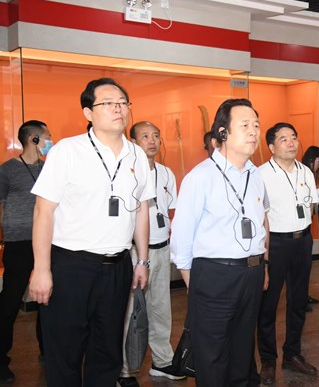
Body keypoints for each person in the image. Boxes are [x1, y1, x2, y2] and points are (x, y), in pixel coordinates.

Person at [29, 78, 154, 387]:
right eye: (108, 103)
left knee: (108, 351)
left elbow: (141, 209)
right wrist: (42, 269)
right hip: (72, 265)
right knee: (65, 351)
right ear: (88, 112)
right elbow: (43, 211)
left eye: (123, 102)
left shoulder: (137, 155)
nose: (118, 108)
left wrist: (142, 260)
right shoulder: (68, 150)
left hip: (118, 266)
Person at [170, 98, 269, 386]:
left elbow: (261, 224)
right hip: (214, 275)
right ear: (223, 132)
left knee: (242, 351)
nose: (254, 132)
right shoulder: (200, 177)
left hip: (251, 273)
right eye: (245, 125)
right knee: (212, 355)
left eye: (256, 125)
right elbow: (181, 237)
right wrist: (195, 284)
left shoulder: (255, 175)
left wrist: (263, 264)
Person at [117, 122, 184, 387]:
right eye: (145, 136)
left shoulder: (166, 173)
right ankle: (123, 370)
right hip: (135, 251)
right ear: (133, 142)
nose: (152, 140)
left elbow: (170, 211)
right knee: (129, 312)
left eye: (156, 135)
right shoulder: (126, 172)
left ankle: (162, 361)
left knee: (161, 308)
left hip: (162, 247)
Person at [257, 123, 318, 385]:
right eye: (284, 139)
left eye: (294, 137)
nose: (291, 142)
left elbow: (311, 205)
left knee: (298, 301)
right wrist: (264, 255)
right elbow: (259, 217)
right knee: (268, 306)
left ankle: (292, 354)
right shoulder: (260, 175)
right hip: (276, 245)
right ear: (271, 147)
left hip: (302, 241)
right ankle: (268, 360)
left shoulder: (306, 171)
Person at [0, 120, 51, 383]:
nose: (50, 141)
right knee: (9, 302)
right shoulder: (7, 170)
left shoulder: (50, 168)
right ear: (34, 139)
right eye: (47, 136)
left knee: (49, 300)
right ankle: (0, 359)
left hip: (48, 241)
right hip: (18, 242)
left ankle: (48, 350)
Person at [301, 145, 319, 310]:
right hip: (302, 225)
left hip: (306, 225)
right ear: (314, 159)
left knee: (305, 267)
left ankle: (304, 296)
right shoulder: (304, 173)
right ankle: (301, 299)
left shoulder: (307, 173)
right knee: (301, 268)